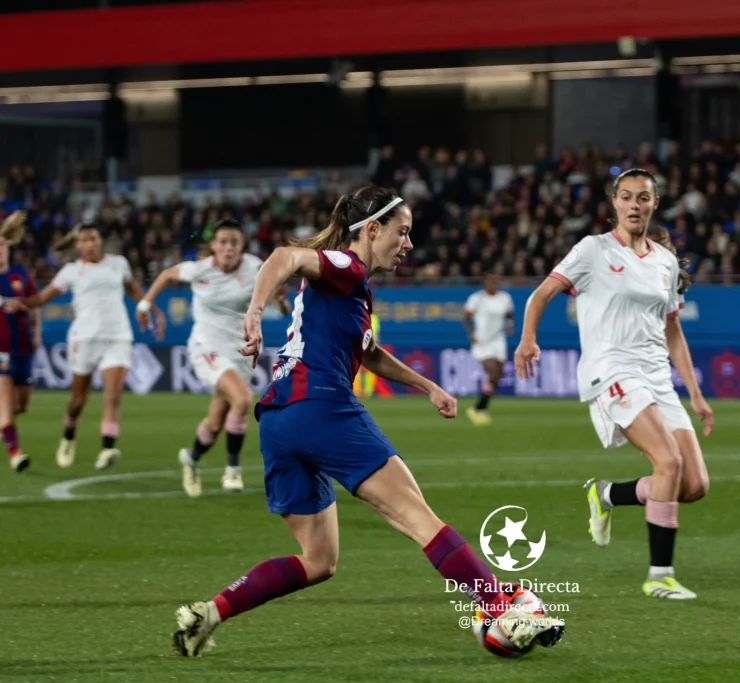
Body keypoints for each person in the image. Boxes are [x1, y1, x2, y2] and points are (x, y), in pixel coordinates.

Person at [172, 187, 564, 656]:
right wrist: (254, 311)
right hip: (321, 407)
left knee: (319, 561)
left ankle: (208, 614)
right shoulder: (347, 265)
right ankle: (502, 610)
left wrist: (428, 386)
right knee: (420, 520)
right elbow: (283, 256)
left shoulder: (352, 287)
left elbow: (370, 352)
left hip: (278, 421)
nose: (409, 244)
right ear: (372, 229)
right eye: (403, 232)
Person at [514, 169, 713, 601]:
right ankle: (660, 575)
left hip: (657, 375)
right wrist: (528, 338)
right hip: (613, 370)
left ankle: (605, 494)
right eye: (627, 197)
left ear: (654, 203)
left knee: (694, 484)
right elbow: (541, 295)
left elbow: (673, 330)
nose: (635, 205)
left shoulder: (663, 260)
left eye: (643, 197)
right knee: (667, 462)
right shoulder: (593, 250)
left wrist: (694, 392)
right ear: (615, 203)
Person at [138, 220, 290, 497]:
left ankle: (191, 458)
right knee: (243, 399)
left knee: (216, 422)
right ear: (214, 246)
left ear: (242, 245)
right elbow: (167, 275)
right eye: (223, 242)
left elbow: (282, 308)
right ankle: (233, 470)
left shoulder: (257, 267)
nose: (229, 248)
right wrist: (145, 304)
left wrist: (280, 300)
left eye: (234, 242)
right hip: (206, 345)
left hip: (242, 349)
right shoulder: (200, 269)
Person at [8, 223, 165, 470]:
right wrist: (21, 302)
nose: (90, 243)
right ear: (77, 245)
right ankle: (68, 437)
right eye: (85, 240)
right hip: (84, 339)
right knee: (78, 401)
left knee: (112, 396)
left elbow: (134, 290)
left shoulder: (118, 263)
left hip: (117, 337)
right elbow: (43, 297)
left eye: (94, 238)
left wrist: (149, 308)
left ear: (100, 240)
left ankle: (107, 448)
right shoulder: (71, 271)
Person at [0, 212, 41, 472]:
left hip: (23, 347)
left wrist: (37, 333)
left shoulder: (20, 275)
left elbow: (35, 305)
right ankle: (15, 453)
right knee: (5, 405)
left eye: (2, 246)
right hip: (0, 349)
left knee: (21, 405)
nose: (0, 252)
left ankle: (5, 426)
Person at [463, 272, 514, 425]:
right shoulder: (477, 299)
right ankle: (478, 409)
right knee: (492, 372)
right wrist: (471, 333)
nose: (495, 284)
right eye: (491, 281)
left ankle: (480, 408)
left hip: (498, 341)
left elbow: (509, 315)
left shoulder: (504, 298)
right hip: (482, 342)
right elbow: (466, 317)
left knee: (497, 376)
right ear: (485, 283)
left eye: (497, 282)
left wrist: (510, 325)